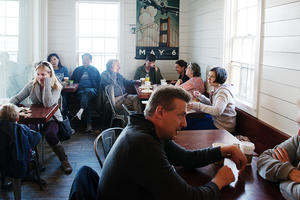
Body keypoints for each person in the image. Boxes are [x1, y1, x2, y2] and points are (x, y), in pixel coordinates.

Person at [69, 85, 247, 200]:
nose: (185, 123)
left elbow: (185, 158)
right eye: (181, 115)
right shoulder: (142, 144)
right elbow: (189, 198)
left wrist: (224, 150)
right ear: (160, 112)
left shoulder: (147, 130)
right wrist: (219, 180)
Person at [9, 61, 73, 174]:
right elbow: (17, 98)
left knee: (50, 133)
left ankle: (64, 160)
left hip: (53, 118)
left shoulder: (56, 86)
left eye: (43, 74)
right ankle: (34, 161)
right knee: (30, 133)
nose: (40, 77)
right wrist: (7, 106)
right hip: (35, 117)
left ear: (49, 74)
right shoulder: (31, 85)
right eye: (38, 74)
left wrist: (47, 83)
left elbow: (48, 103)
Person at [257, 102, 300, 200]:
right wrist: (290, 172)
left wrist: (284, 176)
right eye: (299, 124)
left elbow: (295, 194)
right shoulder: (298, 140)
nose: (298, 133)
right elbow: (263, 159)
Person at [0, 103, 41, 188]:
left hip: (2, 160)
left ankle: (5, 180)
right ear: (18, 118)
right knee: (36, 136)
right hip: (17, 164)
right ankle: (32, 167)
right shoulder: (22, 129)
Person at [187, 67, 236, 133]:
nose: (208, 78)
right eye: (209, 75)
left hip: (223, 128)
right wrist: (201, 97)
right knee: (190, 120)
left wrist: (198, 105)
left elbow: (217, 111)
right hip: (216, 121)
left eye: (212, 76)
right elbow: (213, 104)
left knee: (189, 126)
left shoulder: (223, 92)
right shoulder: (216, 88)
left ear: (219, 78)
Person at [71, 53, 101, 132]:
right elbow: (72, 80)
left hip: (92, 90)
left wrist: (98, 93)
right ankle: (89, 125)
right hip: (80, 90)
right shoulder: (77, 70)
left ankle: (81, 111)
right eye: (83, 59)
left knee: (88, 92)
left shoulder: (94, 70)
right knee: (86, 99)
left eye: (87, 59)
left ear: (90, 61)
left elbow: (99, 83)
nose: (85, 61)